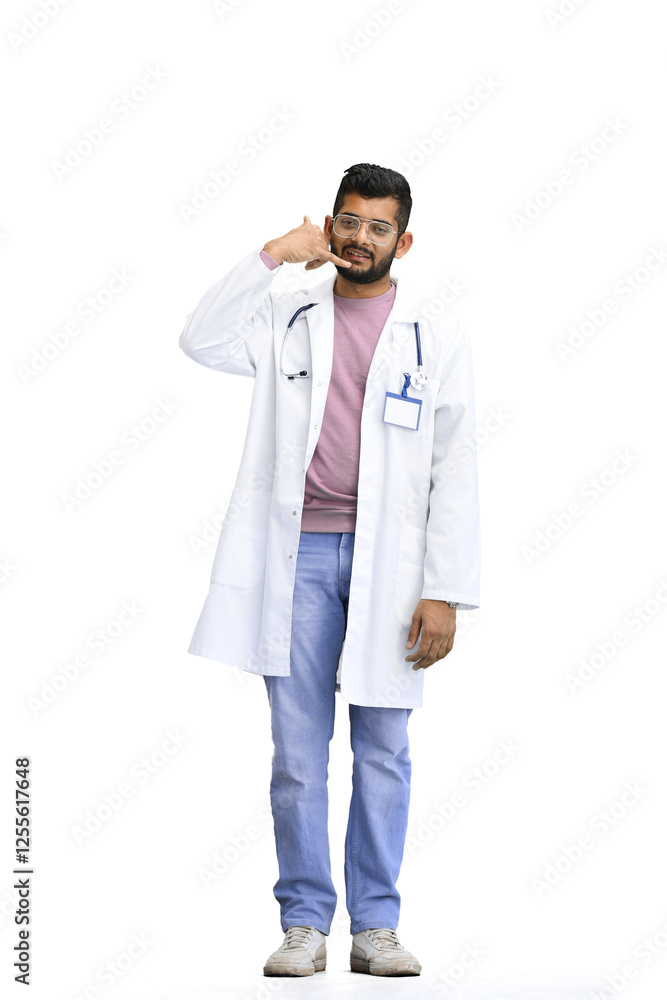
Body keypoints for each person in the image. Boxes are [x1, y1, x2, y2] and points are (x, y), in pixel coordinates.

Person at [179, 162, 481, 977]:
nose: (358, 238)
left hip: (392, 568)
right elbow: (199, 339)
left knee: (383, 747)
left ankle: (375, 925)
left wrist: (445, 589)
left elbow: (454, 465)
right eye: (347, 221)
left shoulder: (433, 333)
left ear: (402, 240)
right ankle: (304, 922)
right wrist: (273, 254)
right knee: (296, 750)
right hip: (298, 556)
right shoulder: (284, 315)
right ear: (332, 224)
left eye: (377, 227)